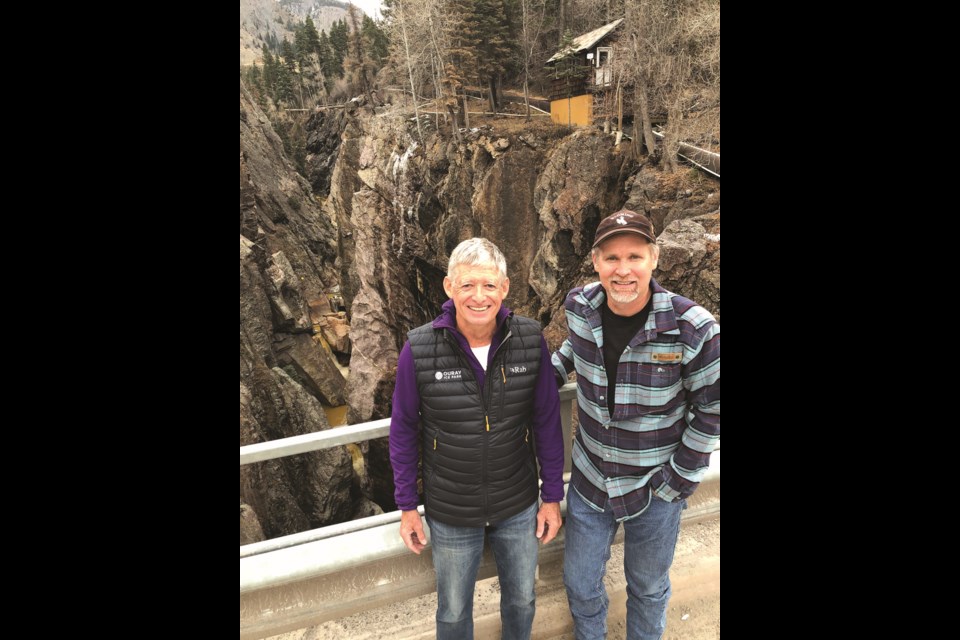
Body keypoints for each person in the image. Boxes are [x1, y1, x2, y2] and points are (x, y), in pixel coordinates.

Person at [552, 210, 720, 640]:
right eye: (611, 258)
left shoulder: (693, 329)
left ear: (654, 258)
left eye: (634, 256)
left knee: (646, 589)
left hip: (655, 487)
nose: (623, 270)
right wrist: (535, 381)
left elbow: (713, 409)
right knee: (580, 583)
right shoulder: (580, 306)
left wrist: (675, 481)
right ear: (595, 262)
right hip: (590, 480)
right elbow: (575, 346)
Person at [390, 237, 565, 640]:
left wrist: (551, 496)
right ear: (449, 288)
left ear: (504, 288)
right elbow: (403, 429)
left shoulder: (529, 339)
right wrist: (407, 506)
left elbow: (546, 421)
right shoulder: (418, 348)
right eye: (467, 285)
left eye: (489, 285)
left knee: (522, 600)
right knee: (452, 611)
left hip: (518, 503)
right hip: (450, 510)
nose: (478, 296)